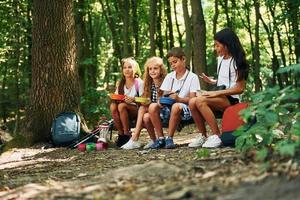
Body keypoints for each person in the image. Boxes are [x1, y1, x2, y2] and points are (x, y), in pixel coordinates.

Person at [188, 28, 249, 148]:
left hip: (232, 99)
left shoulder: (237, 61)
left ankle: (217, 136)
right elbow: (226, 81)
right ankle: (203, 136)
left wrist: (215, 93)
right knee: (192, 102)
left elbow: (239, 88)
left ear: (227, 45)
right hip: (220, 95)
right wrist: (212, 81)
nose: (215, 48)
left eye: (217, 45)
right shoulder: (220, 59)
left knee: (200, 100)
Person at [146, 47, 201, 149]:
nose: (173, 65)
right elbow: (163, 95)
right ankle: (161, 139)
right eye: (171, 63)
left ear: (183, 59)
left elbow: (193, 100)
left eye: (175, 62)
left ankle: (169, 138)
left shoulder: (192, 77)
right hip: (169, 107)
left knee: (176, 105)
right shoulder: (170, 76)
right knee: (152, 106)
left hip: (185, 108)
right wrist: (160, 101)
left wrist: (179, 99)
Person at [121, 57, 167, 149]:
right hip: (152, 109)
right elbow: (145, 99)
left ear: (161, 70)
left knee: (142, 109)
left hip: (164, 109)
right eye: (150, 69)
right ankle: (154, 140)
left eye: (155, 68)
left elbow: (164, 99)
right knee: (145, 117)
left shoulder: (166, 81)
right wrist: (138, 100)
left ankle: (134, 137)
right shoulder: (148, 83)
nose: (152, 71)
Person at [110, 57, 143, 147]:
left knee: (121, 106)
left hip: (137, 110)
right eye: (124, 68)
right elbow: (117, 97)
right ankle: (121, 135)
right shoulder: (121, 83)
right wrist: (115, 97)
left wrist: (134, 99)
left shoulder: (139, 83)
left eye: (129, 67)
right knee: (113, 106)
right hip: (123, 110)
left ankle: (127, 134)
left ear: (135, 69)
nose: (127, 70)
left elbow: (145, 100)